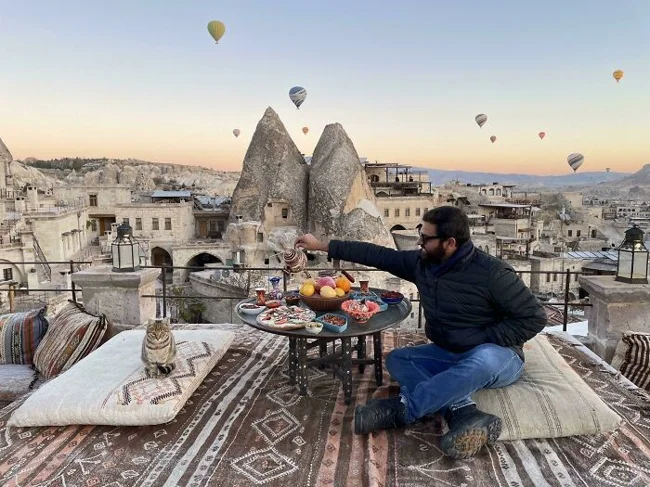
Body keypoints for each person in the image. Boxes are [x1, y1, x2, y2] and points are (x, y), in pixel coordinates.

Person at [294, 206, 547, 459]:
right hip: (450, 352)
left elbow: (534, 318)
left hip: (499, 356)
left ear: (450, 243)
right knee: (399, 359)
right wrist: (322, 246)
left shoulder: (493, 273)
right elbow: (377, 255)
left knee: (482, 360)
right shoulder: (423, 264)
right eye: (420, 233)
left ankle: (402, 410)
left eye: (425, 238)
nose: (419, 242)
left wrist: (480, 338)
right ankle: (464, 414)